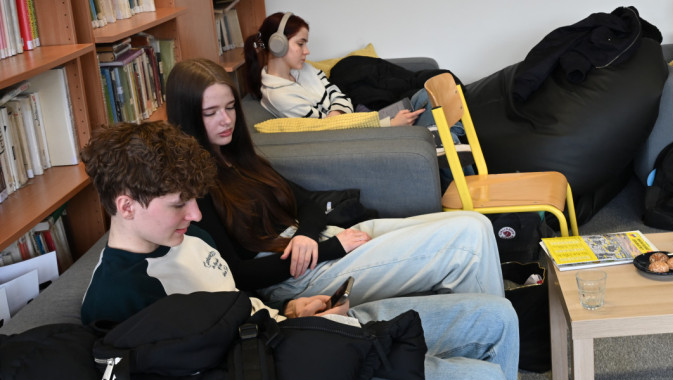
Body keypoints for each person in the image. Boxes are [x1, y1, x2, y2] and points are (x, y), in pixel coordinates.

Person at [79, 120, 521, 380]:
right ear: (126, 206)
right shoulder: (120, 297)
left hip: (295, 329)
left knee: (497, 316)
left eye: (195, 200)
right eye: (180, 204)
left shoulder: (188, 237)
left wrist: (290, 310)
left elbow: (236, 300)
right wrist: (298, 332)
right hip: (290, 372)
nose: (195, 214)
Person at [166, 57, 500, 307]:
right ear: (188, 115)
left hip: (318, 242)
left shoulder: (238, 158)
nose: (226, 120)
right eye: (211, 112)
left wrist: (307, 236)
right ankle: (495, 350)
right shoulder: (195, 189)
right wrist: (329, 248)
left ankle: (481, 343)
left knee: (476, 223)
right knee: (467, 237)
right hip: (294, 276)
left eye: (229, 107)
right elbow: (236, 274)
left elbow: (308, 201)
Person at [244, 11, 427, 126]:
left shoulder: (303, 69)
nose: (307, 51)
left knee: (422, 95)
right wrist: (389, 125)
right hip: (361, 130)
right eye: (300, 44)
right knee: (425, 105)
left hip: (359, 118)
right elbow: (329, 131)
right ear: (278, 45)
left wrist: (336, 113)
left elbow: (340, 95)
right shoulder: (278, 96)